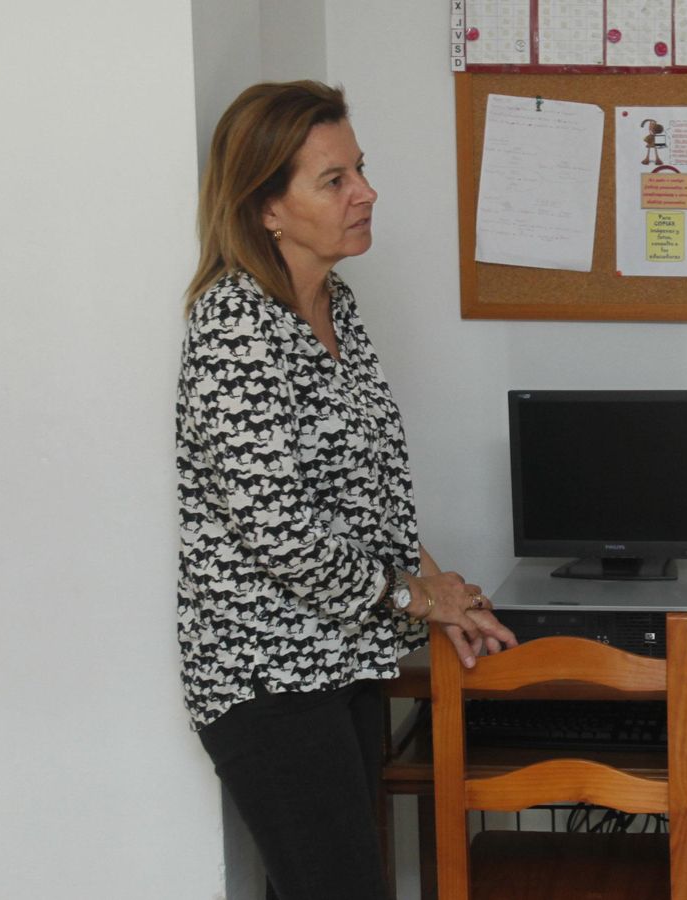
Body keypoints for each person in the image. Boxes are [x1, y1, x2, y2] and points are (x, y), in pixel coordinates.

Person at [176, 81, 517, 900]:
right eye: (334, 180)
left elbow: (375, 497)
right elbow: (282, 533)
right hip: (266, 678)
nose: (366, 192)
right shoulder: (234, 327)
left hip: (345, 660)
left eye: (359, 169)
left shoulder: (338, 307)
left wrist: (444, 592)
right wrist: (416, 600)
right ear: (266, 208)